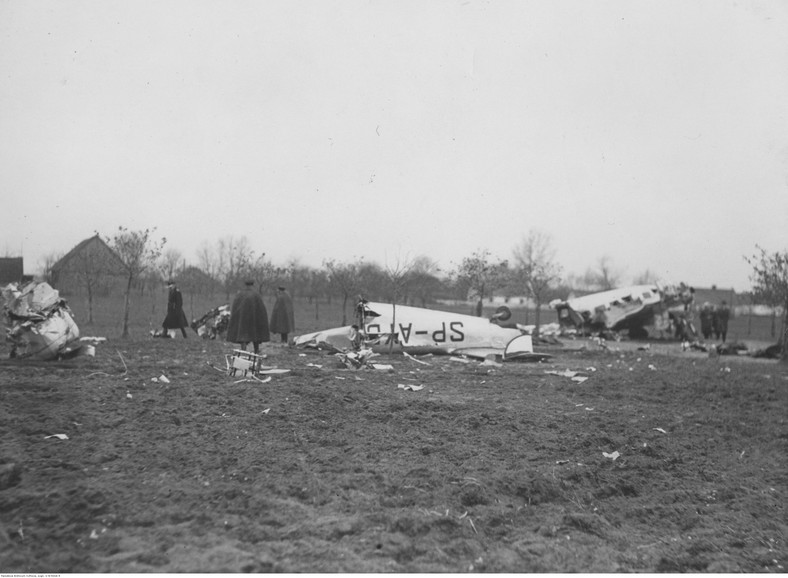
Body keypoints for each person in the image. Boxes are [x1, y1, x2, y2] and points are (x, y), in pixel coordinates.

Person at [226, 280, 270, 353]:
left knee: (243, 335)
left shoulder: (240, 294)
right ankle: (256, 350)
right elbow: (261, 309)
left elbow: (235, 308)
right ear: (252, 285)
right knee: (255, 334)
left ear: (245, 285)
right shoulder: (256, 295)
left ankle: (243, 350)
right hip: (254, 319)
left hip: (242, 319)